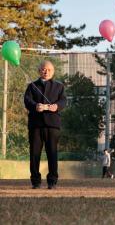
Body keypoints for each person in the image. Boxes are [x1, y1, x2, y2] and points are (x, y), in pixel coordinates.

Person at [24, 60, 66, 189]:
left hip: (52, 125)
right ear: (39, 71)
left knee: (52, 153)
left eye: (49, 69)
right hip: (36, 125)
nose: (46, 71)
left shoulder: (59, 86)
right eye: (43, 69)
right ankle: (35, 181)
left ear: (53, 72)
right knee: (34, 154)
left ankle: (52, 181)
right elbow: (27, 100)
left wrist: (56, 106)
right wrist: (35, 106)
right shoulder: (32, 86)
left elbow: (63, 101)